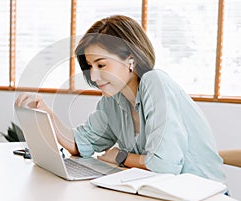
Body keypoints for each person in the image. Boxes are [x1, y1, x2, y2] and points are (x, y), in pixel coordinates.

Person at [15, 15, 226, 183]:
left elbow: (165, 166)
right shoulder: (112, 100)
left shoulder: (155, 82)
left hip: (203, 197)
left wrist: (120, 156)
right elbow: (83, 143)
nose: (93, 77)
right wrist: (48, 114)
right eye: (90, 67)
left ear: (131, 60)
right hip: (159, 193)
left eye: (101, 65)